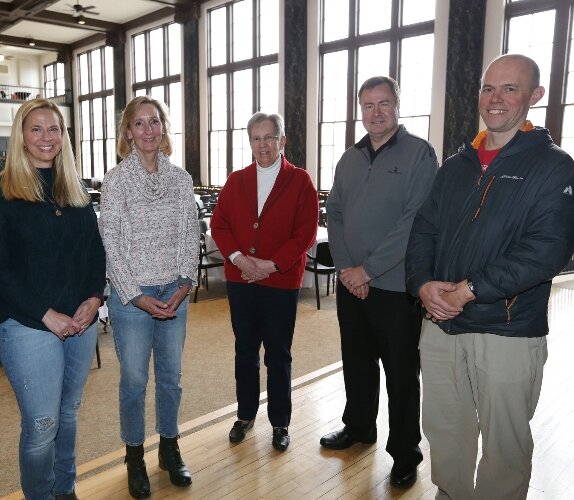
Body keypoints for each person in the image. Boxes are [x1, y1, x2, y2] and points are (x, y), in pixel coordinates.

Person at [406, 54, 574, 499]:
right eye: (487, 88)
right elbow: (424, 230)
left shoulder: (555, 166)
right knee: (445, 430)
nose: (495, 99)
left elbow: (547, 250)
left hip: (507, 328)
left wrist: (469, 290)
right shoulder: (456, 164)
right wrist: (422, 284)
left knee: (504, 445)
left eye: (509, 88)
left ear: (535, 96)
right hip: (441, 324)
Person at [0, 98, 105, 500]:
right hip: (29, 325)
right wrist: (45, 314)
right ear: (21, 136)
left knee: (68, 414)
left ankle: (64, 490)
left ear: (64, 136)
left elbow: (94, 251)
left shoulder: (75, 188)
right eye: (36, 129)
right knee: (42, 424)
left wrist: (95, 297)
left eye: (54, 129)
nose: (46, 137)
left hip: (80, 323)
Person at [321, 76, 438, 488]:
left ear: (397, 105)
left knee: (401, 372)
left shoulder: (420, 154)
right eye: (368, 105)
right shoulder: (349, 158)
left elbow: (415, 221)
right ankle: (359, 426)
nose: (376, 112)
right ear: (360, 110)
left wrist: (367, 270)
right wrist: (347, 268)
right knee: (356, 361)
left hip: (396, 287)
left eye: (384, 103)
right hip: (351, 284)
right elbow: (334, 213)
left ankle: (405, 452)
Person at [99, 95, 199, 499]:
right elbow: (111, 245)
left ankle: (169, 448)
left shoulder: (181, 179)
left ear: (163, 127)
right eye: (139, 123)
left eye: (154, 121)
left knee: (171, 379)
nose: (148, 130)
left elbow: (191, 234)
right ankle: (135, 456)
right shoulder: (115, 181)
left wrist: (185, 283)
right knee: (135, 381)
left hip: (174, 293)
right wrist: (136, 296)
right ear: (128, 132)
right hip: (132, 300)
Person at [210, 112, 319, 453]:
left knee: (278, 354)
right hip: (241, 280)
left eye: (269, 137)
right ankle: (245, 415)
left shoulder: (300, 181)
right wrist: (239, 258)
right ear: (250, 143)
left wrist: (271, 265)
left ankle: (280, 422)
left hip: (280, 282)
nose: (263, 145)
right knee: (245, 351)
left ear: (282, 140)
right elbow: (219, 225)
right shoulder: (236, 180)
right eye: (256, 139)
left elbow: (306, 232)